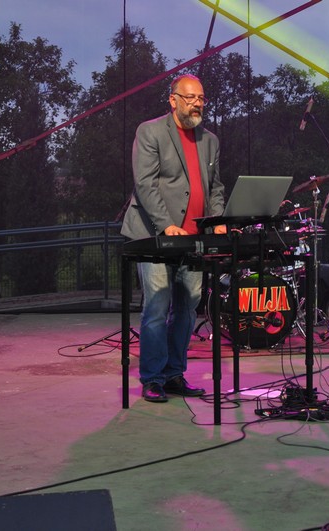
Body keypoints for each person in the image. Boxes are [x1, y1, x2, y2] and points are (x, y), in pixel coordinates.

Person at [121, 74, 226, 403]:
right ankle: (152, 378)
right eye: (190, 97)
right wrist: (166, 224)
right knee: (157, 307)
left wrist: (218, 221)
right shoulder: (150, 131)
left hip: (194, 239)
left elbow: (215, 187)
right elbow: (146, 183)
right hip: (156, 237)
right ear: (173, 100)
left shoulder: (210, 140)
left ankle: (173, 373)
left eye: (201, 98)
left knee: (187, 309)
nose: (197, 103)